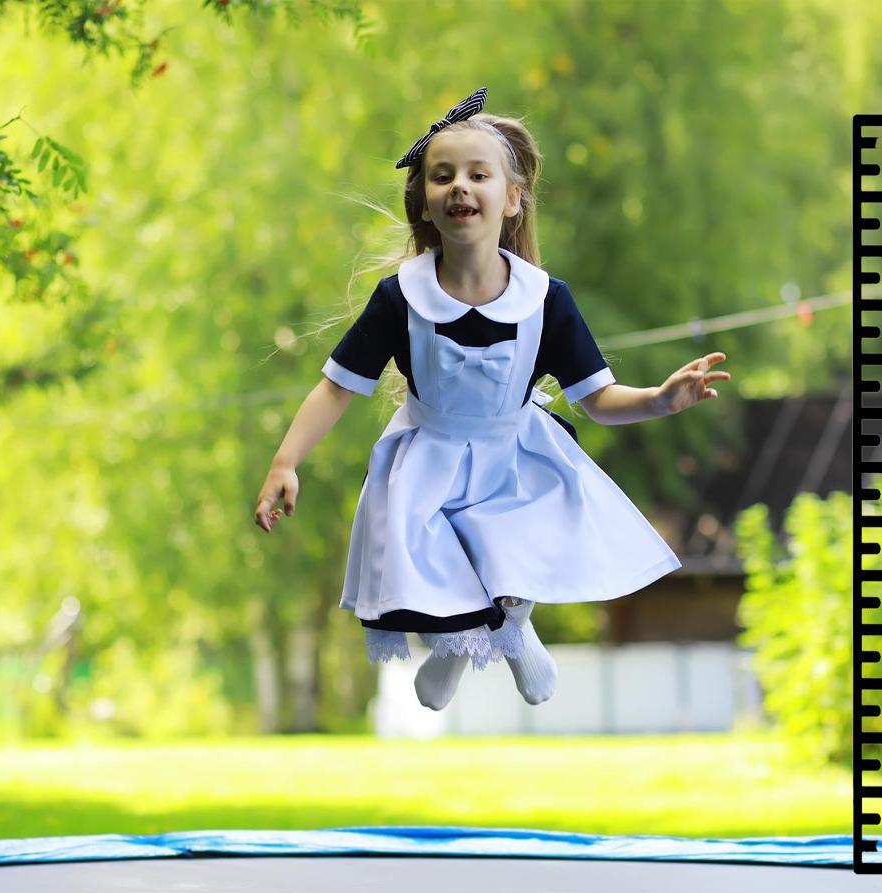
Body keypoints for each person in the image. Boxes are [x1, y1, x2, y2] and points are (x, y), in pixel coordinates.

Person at [255, 87, 730, 712]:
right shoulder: (400, 299)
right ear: (424, 202)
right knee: (426, 563)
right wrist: (286, 461)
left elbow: (599, 398)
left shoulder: (545, 299)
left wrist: (661, 400)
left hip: (513, 456)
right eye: (442, 176)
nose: (459, 187)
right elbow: (337, 386)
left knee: (510, 544)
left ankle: (512, 628)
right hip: (431, 458)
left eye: (478, 175)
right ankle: (452, 647)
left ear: (510, 199)